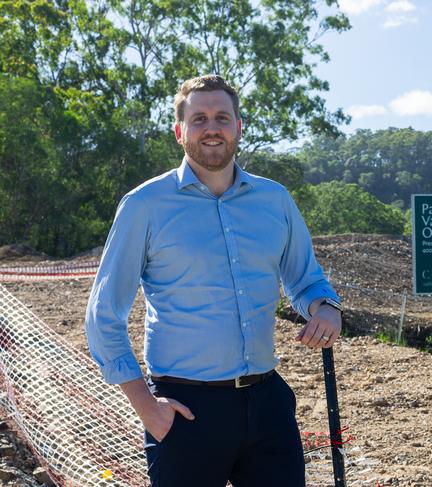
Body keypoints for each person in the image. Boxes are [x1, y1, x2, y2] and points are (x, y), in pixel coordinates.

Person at [85, 74, 342, 487]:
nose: (211, 128)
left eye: (222, 117)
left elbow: (306, 279)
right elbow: (103, 315)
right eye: (199, 118)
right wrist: (146, 407)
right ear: (179, 131)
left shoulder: (275, 200)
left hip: (268, 404)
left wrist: (325, 308)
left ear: (238, 127)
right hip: (185, 411)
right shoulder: (144, 205)